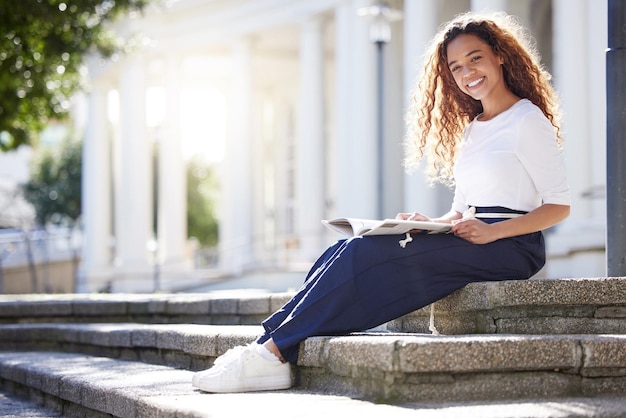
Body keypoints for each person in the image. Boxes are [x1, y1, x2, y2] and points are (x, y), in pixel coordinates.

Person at [192, 10, 570, 393]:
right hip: (473, 234)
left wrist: (494, 233)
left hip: (512, 245)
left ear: (499, 55)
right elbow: (461, 208)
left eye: (475, 58)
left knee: (363, 258)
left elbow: (558, 205)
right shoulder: (473, 130)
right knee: (348, 247)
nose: (467, 72)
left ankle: (271, 353)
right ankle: (266, 347)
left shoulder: (527, 119)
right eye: (456, 67)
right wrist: (429, 223)